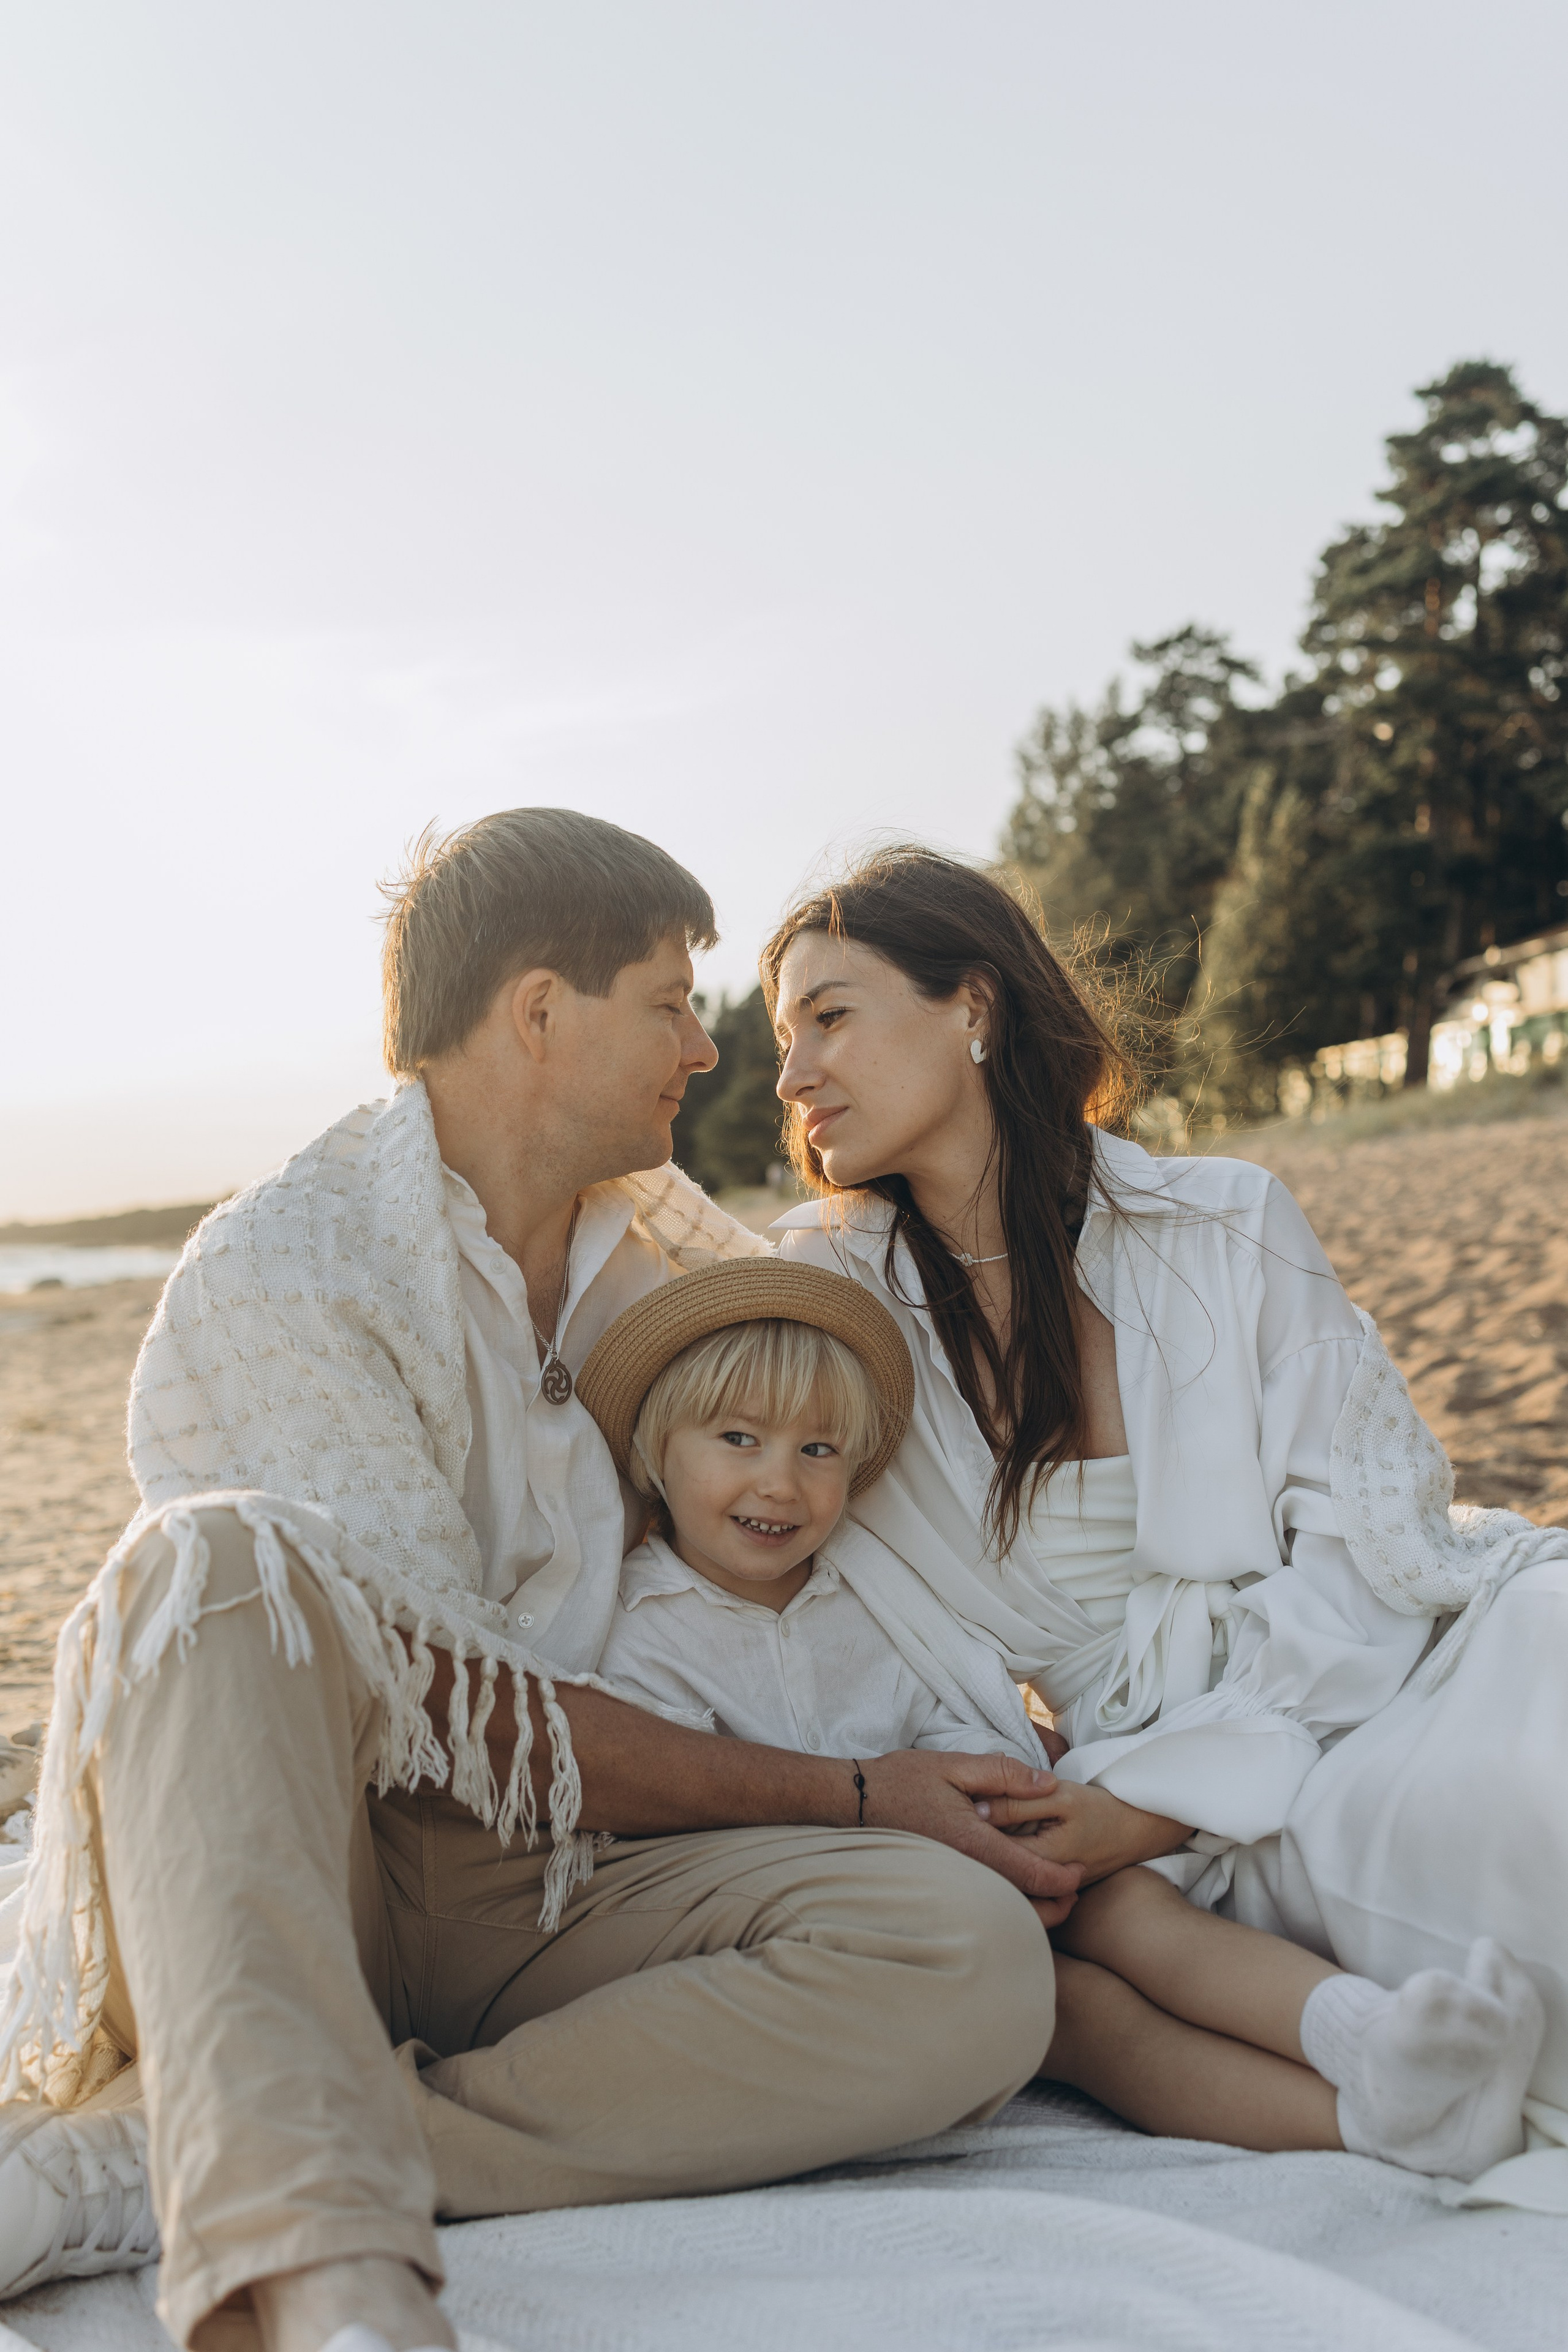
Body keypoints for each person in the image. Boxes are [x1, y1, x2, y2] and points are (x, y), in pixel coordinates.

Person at [0, 812, 1077, 2352]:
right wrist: (849, 1794)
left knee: (971, 1960)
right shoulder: (284, 1268)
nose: (705, 1050)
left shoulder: (675, 1263)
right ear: (538, 1012)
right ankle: (328, 2265)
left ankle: (217, 2146)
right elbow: (451, 1709)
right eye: (669, 1001)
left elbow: (841, 1489)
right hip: (319, 1865)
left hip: (575, 1881)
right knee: (214, 1558)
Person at [764, 842, 1568, 2196]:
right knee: (1478, 1842)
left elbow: (1371, 1556)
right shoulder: (829, 1300)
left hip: (1403, 1658)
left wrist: (1150, 1807)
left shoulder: (1225, 1221)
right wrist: (1117, 1803)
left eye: (828, 1016)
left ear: (971, 1006)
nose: (791, 1075)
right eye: (782, 1038)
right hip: (1167, 1792)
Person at [578, 1255, 1545, 2182]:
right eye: (737, 1440)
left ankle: (1375, 2041)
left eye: (817, 1450)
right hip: (851, 1918)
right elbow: (693, 1822)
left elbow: (951, 1708)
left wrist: (1001, 1798)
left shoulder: (869, 1593)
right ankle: (1370, 2127)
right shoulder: (642, 1631)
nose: (780, 1484)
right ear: (657, 1451)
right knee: (1078, 2016)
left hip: (970, 1859)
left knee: (1127, 1907)